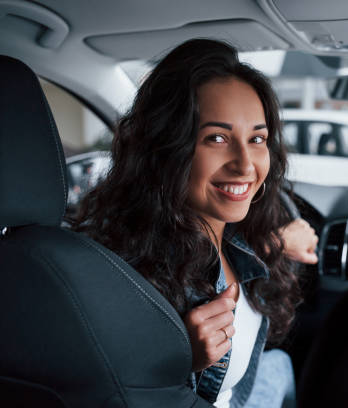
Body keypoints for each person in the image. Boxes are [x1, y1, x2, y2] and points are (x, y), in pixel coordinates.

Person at [70, 38, 317, 407]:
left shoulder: (224, 233)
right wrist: (177, 361)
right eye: (216, 138)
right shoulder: (122, 279)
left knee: (278, 364)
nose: (246, 165)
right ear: (166, 148)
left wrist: (277, 243)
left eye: (257, 138)